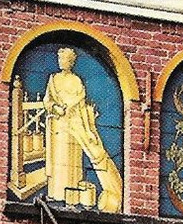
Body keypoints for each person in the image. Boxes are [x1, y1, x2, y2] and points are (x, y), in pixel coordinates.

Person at [43, 46, 123, 213]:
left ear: (71, 62)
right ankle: (56, 194)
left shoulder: (76, 80)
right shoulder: (53, 79)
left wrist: (70, 106)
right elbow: (47, 100)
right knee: (59, 158)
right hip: (59, 124)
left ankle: (71, 196)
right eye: (60, 59)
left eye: (65, 59)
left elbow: (80, 98)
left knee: (71, 160)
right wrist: (55, 108)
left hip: (73, 123)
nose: (61, 62)